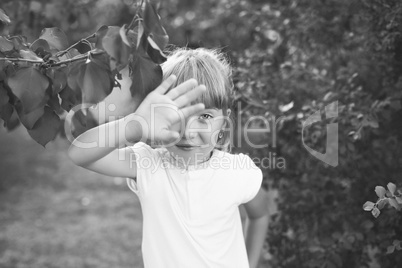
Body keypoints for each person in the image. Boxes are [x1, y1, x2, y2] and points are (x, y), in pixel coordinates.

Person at [68, 48, 270, 268]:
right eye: (176, 113)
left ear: (224, 121)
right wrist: (134, 125)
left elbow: (259, 215)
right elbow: (79, 153)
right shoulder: (148, 165)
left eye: (205, 116)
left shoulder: (237, 172)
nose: (188, 131)